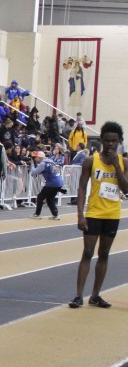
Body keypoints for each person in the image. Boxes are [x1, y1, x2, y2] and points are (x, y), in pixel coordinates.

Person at [70, 122, 128, 309]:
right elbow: (81, 187)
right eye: (107, 140)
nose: (110, 144)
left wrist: (116, 165)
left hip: (112, 213)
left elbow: (126, 189)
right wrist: (80, 214)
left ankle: (95, 295)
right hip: (94, 212)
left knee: (104, 253)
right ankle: (79, 295)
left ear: (119, 142)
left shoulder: (124, 162)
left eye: (114, 141)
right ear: (101, 140)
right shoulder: (90, 161)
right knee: (87, 252)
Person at [29, 150, 63, 221]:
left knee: (40, 197)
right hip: (59, 182)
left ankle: (37, 214)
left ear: (39, 157)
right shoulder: (51, 162)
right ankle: (55, 215)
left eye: (35, 157)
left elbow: (33, 173)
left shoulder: (43, 163)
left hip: (51, 183)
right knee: (50, 199)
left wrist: (32, 164)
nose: (34, 159)